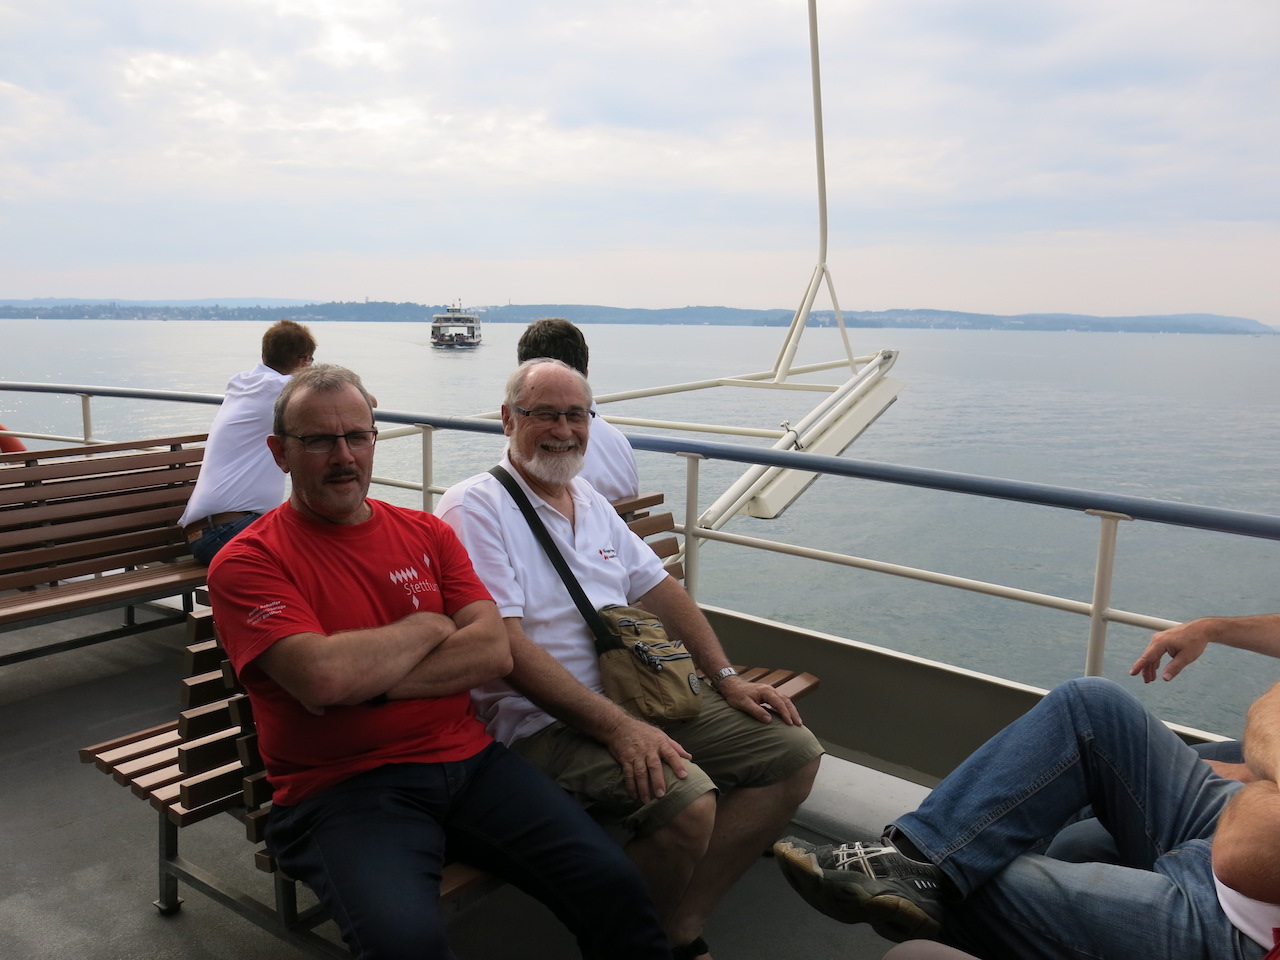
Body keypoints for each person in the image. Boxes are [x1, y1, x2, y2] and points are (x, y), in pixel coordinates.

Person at [207, 363, 670, 960]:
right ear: (280, 453)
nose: (343, 456)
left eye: (357, 436)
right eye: (319, 440)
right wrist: (428, 625)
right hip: (344, 790)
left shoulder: (427, 533)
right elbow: (321, 677)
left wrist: (365, 680)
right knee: (408, 946)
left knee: (615, 886)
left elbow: (491, 650)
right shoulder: (248, 561)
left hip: (471, 764)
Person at [436, 358, 824, 960]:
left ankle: (676, 929)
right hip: (544, 721)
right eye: (544, 414)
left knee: (793, 754)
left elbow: (660, 587)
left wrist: (725, 678)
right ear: (508, 419)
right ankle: (623, 944)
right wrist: (620, 729)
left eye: (577, 415)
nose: (564, 430)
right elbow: (506, 647)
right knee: (687, 803)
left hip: (639, 691)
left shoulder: (586, 497)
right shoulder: (476, 507)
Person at [773, 676, 1279, 960]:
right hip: (1240, 833)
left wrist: (1265, 772)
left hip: (1243, 924)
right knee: (1091, 705)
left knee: (972, 879)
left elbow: (1243, 856)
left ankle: (929, 877)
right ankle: (915, 857)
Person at [180, 319, 317, 564]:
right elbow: (362, 400)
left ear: (264, 354)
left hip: (212, 529)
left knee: (315, 548)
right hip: (226, 529)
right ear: (304, 361)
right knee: (318, 553)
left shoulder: (242, 383)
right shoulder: (284, 389)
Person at [516, 318, 639, 502]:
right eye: (545, 414)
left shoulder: (537, 457)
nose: (563, 431)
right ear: (586, 374)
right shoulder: (618, 441)